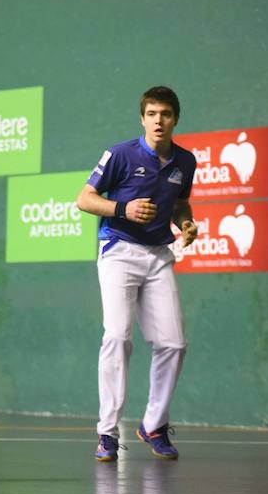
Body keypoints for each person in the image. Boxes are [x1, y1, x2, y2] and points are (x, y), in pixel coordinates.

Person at [76, 86, 198, 462]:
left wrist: (186, 222)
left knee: (174, 343)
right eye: (151, 114)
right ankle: (108, 432)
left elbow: (180, 203)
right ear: (142, 118)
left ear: (175, 118)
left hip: (159, 253)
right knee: (117, 336)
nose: (158, 121)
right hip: (119, 251)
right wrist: (122, 209)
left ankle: (153, 425)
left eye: (165, 114)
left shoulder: (185, 161)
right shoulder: (121, 154)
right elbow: (84, 199)